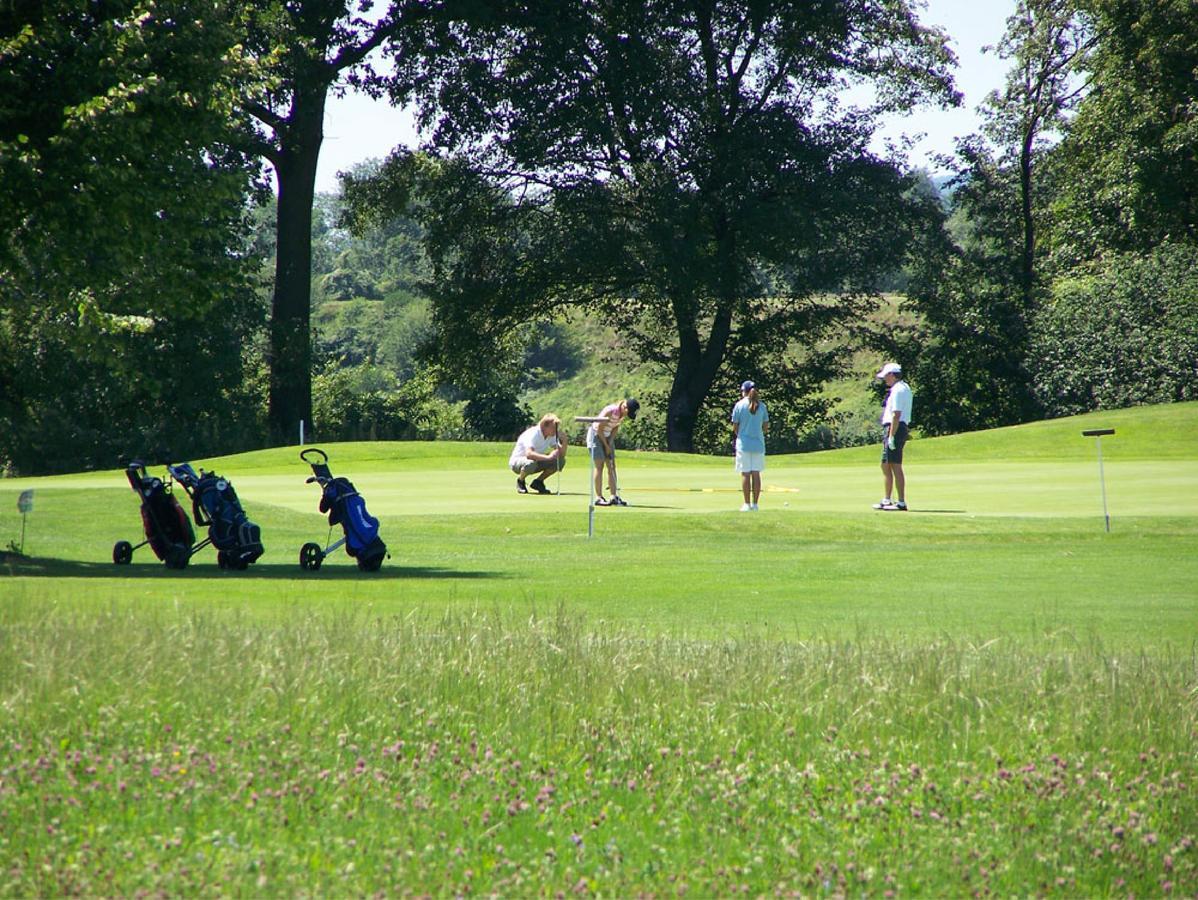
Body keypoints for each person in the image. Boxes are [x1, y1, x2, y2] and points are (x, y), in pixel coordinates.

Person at [873, 362, 913, 511]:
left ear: (892, 375)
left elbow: (896, 415)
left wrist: (891, 436)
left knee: (895, 465)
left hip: (895, 428)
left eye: (886, 376)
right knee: (885, 464)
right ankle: (887, 500)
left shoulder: (898, 390)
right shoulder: (903, 388)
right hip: (896, 428)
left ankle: (901, 502)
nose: (885, 379)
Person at [586, 398, 639, 506]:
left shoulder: (621, 414)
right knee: (599, 466)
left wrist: (610, 442)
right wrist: (606, 445)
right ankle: (598, 497)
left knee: (611, 466)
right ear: (625, 407)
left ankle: (613, 496)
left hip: (607, 436)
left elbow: (615, 427)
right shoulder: (610, 411)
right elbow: (599, 429)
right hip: (595, 436)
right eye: (629, 412)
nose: (627, 415)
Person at [731, 381, 769, 511]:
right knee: (756, 473)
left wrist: (742, 434)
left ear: (744, 391)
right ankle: (755, 504)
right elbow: (765, 427)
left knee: (745, 474)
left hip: (743, 444)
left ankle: (746, 504)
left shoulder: (739, 405)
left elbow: (735, 427)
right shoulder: (762, 406)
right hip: (758, 444)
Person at [509, 414, 567, 495]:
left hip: (536, 461)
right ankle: (520, 481)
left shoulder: (551, 435)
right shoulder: (533, 434)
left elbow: (562, 455)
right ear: (544, 426)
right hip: (518, 462)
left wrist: (564, 441)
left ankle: (538, 482)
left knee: (560, 461)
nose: (556, 430)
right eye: (554, 427)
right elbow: (529, 454)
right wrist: (548, 457)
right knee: (530, 463)